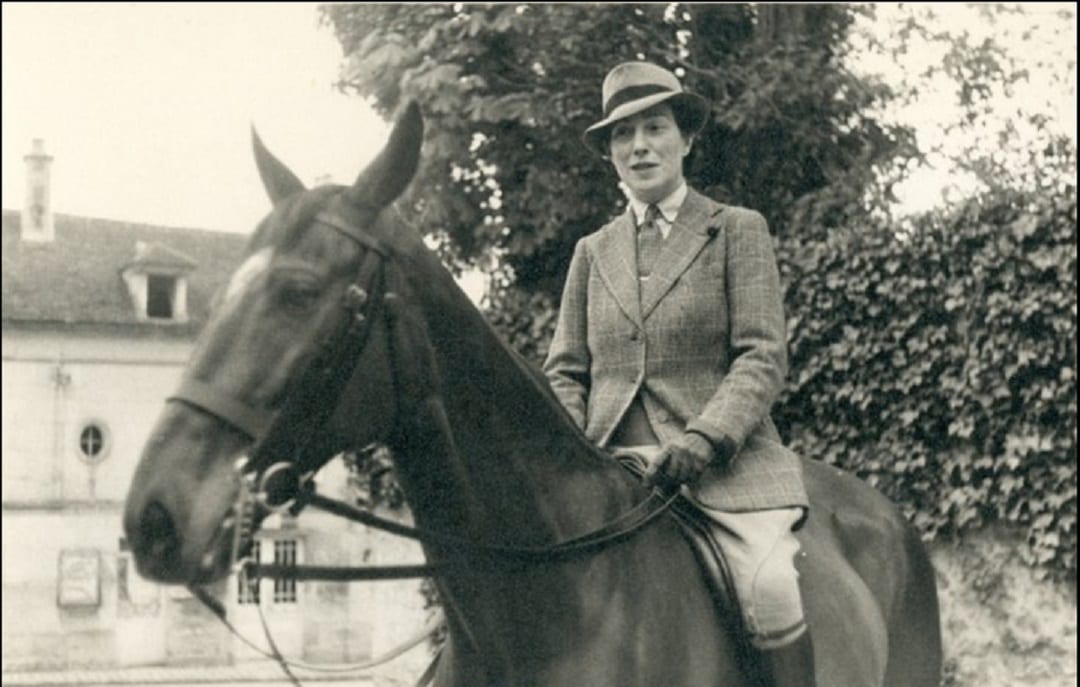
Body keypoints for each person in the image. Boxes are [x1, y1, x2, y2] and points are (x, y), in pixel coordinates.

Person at [543, 61, 815, 687]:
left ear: (686, 139)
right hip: (610, 470)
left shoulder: (735, 231)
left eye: (655, 127)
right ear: (610, 154)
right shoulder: (591, 251)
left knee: (770, 584)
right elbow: (566, 371)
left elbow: (761, 355)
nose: (639, 146)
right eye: (622, 135)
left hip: (721, 467)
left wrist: (703, 439)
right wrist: (575, 451)